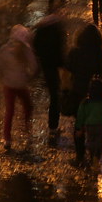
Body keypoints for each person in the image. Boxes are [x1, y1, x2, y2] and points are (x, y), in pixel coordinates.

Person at [66, 24, 102, 165]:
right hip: (93, 94)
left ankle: (80, 155)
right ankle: (93, 156)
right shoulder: (98, 52)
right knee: (92, 125)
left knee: (79, 124)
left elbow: (67, 71)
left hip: (77, 92)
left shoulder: (74, 52)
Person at [0, 24, 38, 152]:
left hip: (8, 85)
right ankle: (26, 128)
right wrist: (28, 76)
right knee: (28, 106)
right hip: (20, 84)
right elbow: (34, 66)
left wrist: (4, 76)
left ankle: (7, 138)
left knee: (9, 111)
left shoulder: (5, 49)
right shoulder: (26, 50)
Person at [32, 15, 66, 144]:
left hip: (44, 66)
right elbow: (61, 48)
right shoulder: (57, 29)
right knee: (55, 97)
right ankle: (53, 126)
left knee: (52, 95)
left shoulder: (40, 30)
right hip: (53, 67)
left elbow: (35, 45)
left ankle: (52, 126)